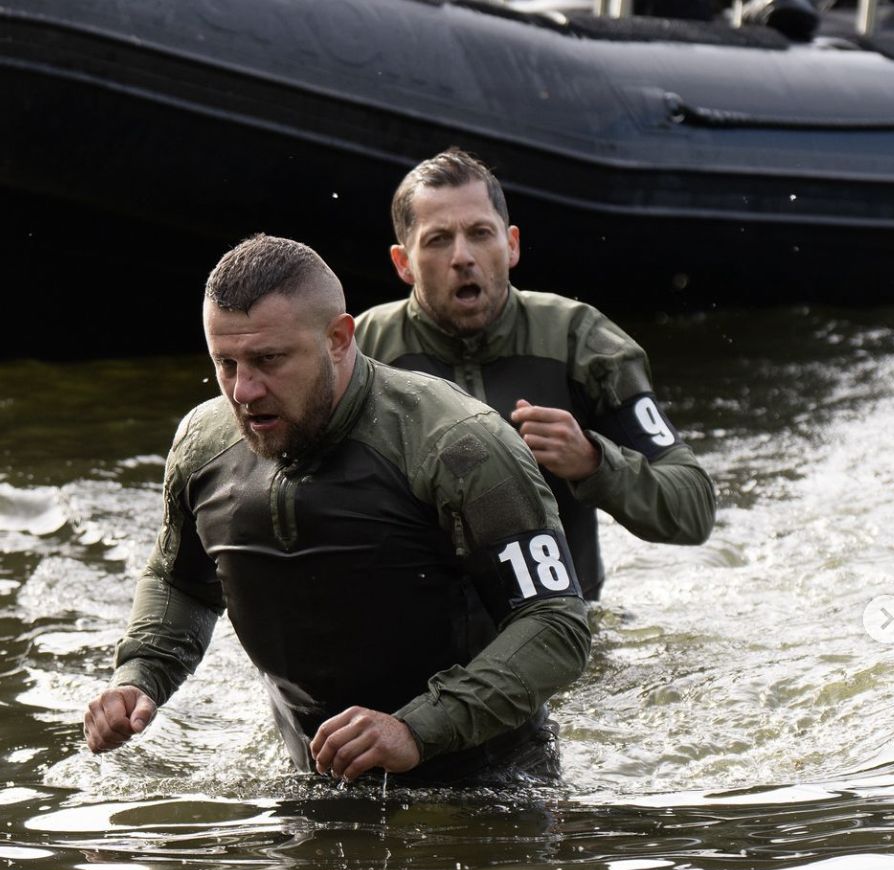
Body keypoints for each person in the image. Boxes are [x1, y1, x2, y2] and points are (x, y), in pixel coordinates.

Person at [83, 234, 591, 785]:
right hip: (313, 783)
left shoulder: (457, 444)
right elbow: (180, 581)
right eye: (224, 363)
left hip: (487, 780)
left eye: (269, 359)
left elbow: (555, 622)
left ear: (338, 339)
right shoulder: (203, 445)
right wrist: (140, 676)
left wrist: (416, 729)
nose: (244, 391)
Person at [354, 147, 716, 601]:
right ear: (402, 263)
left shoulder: (580, 341)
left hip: (566, 623)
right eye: (438, 240)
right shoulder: (360, 356)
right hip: (424, 630)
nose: (463, 256)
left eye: (480, 233)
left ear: (512, 246)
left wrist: (593, 462)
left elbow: (694, 507)